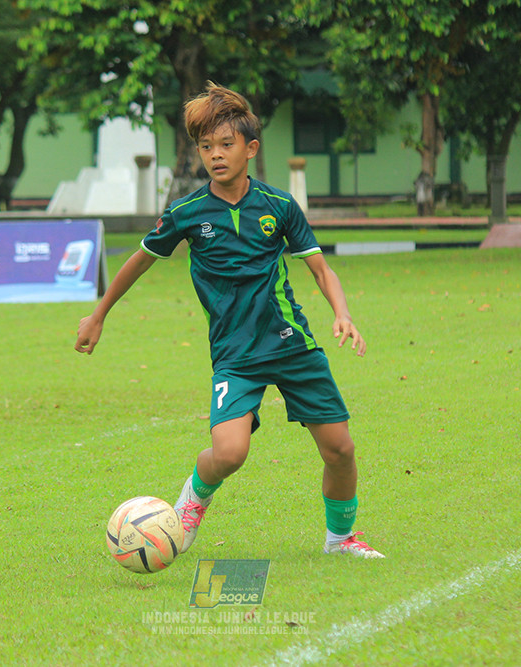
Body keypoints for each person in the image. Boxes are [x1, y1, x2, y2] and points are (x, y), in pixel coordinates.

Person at [75, 82, 383, 559]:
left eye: (225, 144)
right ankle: (193, 500)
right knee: (229, 454)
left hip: (290, 343)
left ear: (250, 148)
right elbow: (139, 260)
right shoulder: (187, 212)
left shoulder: (279, 207)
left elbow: (320, 267)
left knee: (340, 449)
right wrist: (98, 315)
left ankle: (340, 540)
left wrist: (342, 313)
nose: (215, 155)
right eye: (205, 147)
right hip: (236, 354)